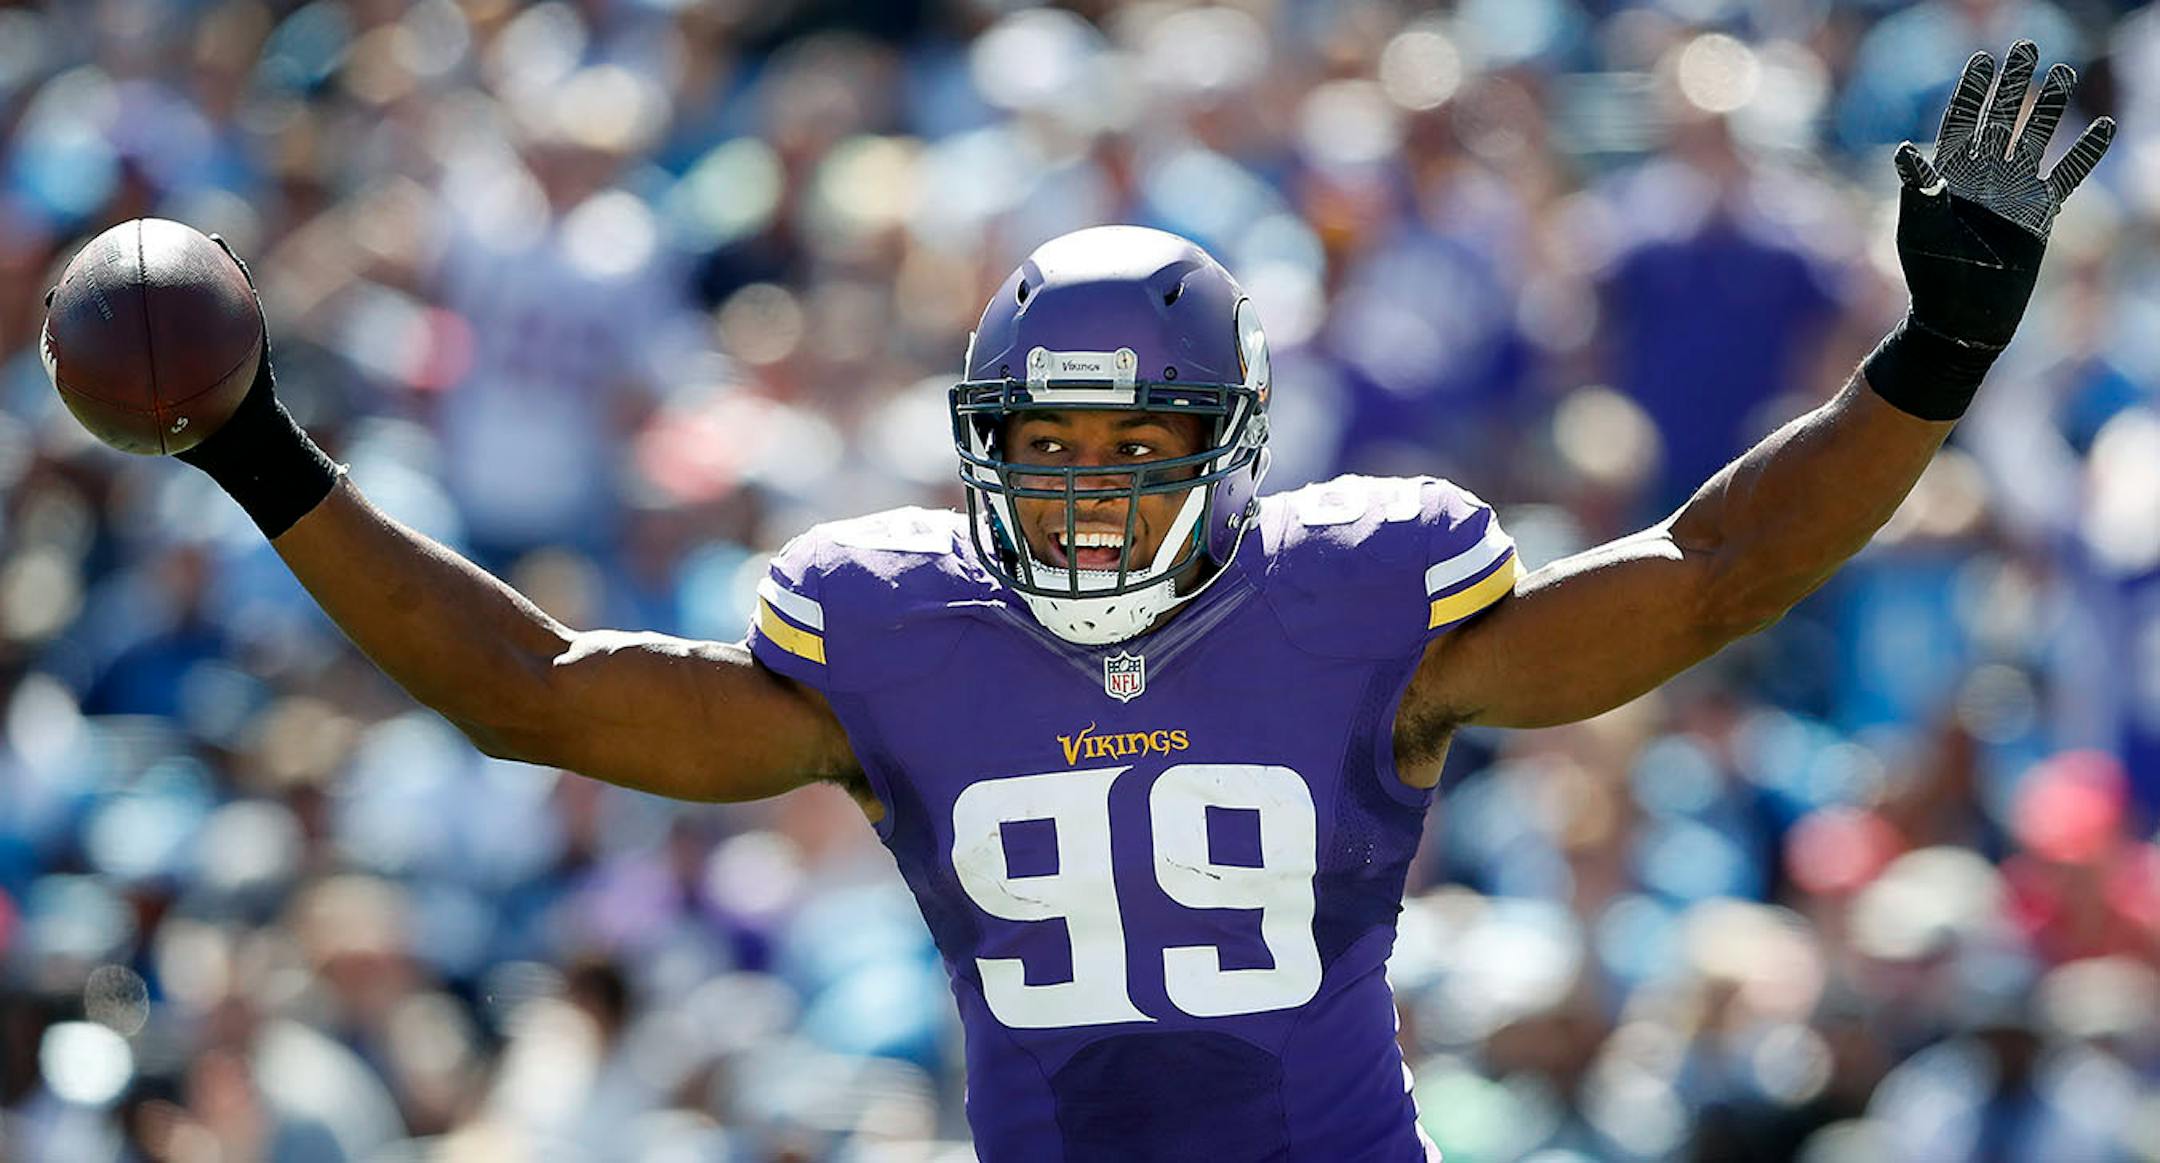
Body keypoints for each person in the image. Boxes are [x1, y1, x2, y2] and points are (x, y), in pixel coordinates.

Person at [63, 43, 2111, 1162]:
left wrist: (1925, 362)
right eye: (1049, 448)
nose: (1088, 488)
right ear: (979, 449)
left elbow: (1705, 574)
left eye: (1136, 451)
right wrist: (259, 449)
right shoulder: (886, 639)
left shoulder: (1359, 601)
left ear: (1232, 447)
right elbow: (539, 691)